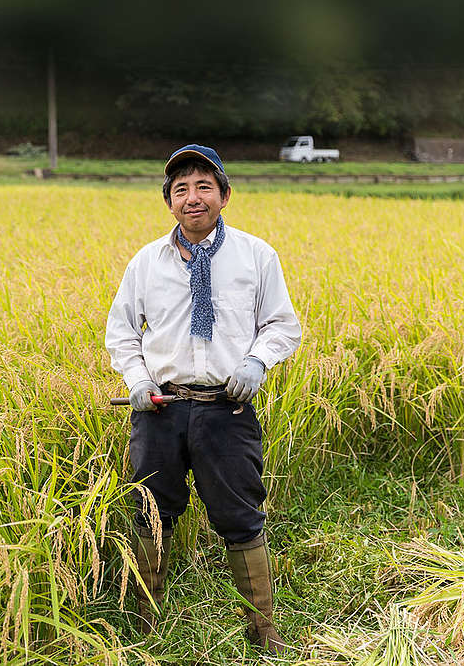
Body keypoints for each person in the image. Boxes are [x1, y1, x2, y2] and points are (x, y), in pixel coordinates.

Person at [105, 144, 301, 654]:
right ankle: (145, 622)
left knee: (240, 516)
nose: (193, 198)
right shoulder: (146, 263)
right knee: (151, 512)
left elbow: (282, 325)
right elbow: (122, 333)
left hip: (225, 411)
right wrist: (137, 381)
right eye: (181, 189)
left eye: (204, 187)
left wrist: (257, 362)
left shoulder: (256, 257)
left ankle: (264, 630)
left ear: (225, 195)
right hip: (160, 410)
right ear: (169, 202)